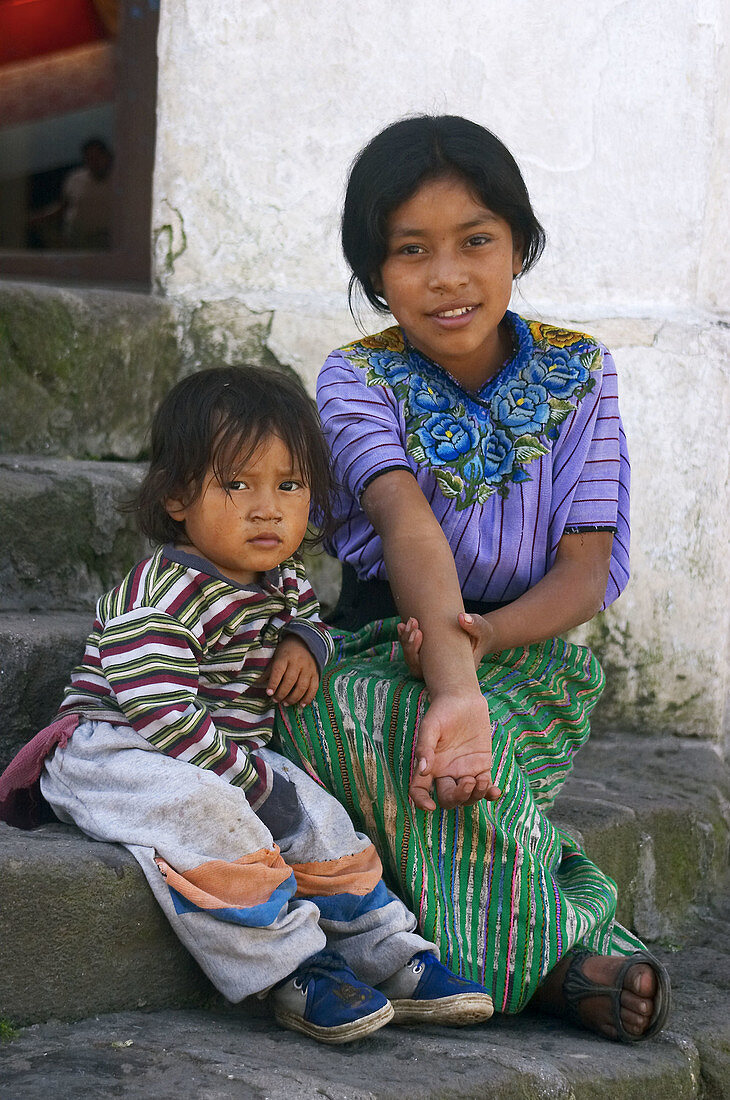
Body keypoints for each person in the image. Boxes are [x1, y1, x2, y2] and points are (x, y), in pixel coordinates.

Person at [275, 115, 671, 1043]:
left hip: (524, 647)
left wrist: (483, 646)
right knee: (331, 712)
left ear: (521, 247)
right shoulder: (355, 378)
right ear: (375, 274)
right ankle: (563, 959)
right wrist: (450, 676)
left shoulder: (580, 372)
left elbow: (583, 568)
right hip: (385, 634)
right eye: (411, 251)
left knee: (436, 748)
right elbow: (406, 520)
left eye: (476, 241)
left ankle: (531, 961)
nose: (447, 277)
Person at [0, 365, 494, 1045]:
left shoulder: (280, 578)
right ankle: (292, 972)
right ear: (178, 496)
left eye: (289, 485)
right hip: (118, 749)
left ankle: (388, 956)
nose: (269, 507)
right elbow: (166, 717)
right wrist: (256, 785)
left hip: (227, 750)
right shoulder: (158, 596)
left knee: (322, 819)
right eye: (238, 484)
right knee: (215, 824)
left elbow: (311, 618)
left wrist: (302, 643)